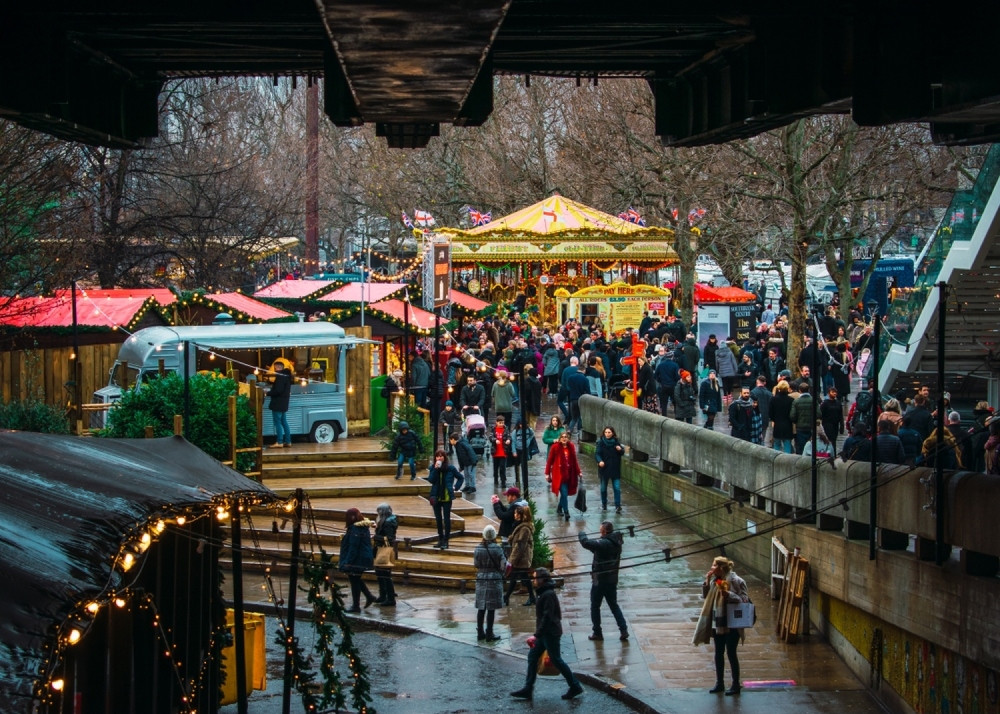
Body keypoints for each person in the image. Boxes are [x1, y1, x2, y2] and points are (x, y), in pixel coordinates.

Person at [510, 567, 584, 701]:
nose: (533, 581)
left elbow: (547, 617)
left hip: (550, 633)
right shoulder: (543, 592)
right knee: (533, 657)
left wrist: (536, 635)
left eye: (535, 578)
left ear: (542, 579)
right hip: (545, 633)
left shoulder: (548, 594)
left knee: (556, 660)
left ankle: (575, 686)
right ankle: (528, 688)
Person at [692, 556, 750, 696]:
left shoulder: (736, 581)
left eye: (713, 566)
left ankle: (736, 684)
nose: (711, 568)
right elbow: (706, 597)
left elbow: (744, 600)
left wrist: (728, 594)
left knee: (731, 652)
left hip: (732, 623)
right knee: (718, 653)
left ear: (721, 568)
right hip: (717, 622)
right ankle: (720, 683)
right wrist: (706, 582)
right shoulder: (714, 581)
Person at [578, 521, 628, 642]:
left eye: (601, 531)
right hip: (612, 579)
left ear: (605, 531)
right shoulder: (616, 541)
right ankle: (623, 629)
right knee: (613, 605)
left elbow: (586, 543)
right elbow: (598, 550)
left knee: (595, 606)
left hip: (600, 580)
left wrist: (581, 533)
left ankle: (597, 632)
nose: (600, 533)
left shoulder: (605, 543)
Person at [338, 507, 376, 613]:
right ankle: (369, 596)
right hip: (363, 558)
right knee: (356, 579)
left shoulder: (355, 529)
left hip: (357, 559)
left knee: (354, 580)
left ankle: (356, 606)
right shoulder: (363, 527)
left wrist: (348, 562)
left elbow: (354, 547)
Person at [474, 525, 507, 642]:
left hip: (481, 578)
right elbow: (504, 565)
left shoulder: (478, 548)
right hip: (494, 578)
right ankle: (489, 633)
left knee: (481, 607)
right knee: (491, 608)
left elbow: (476, 564)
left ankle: (480, 632)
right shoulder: (498, 549)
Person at [428, 449, 463, 549]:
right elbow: (431, 480)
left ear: (444, 457)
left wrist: (456, 487)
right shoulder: (432, 468)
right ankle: (440, 539)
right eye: (437, 456)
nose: (439, 458)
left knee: (446, 519)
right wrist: (435, 469)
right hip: (436, 496)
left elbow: (460, 477)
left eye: (441, 456)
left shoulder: (450, 468)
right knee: (438, 519)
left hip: (447, 497)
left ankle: (446, 540)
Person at [545, 431, 581, 522]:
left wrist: (578, 472)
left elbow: (574, 461)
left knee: (565, 494)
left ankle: (559, 508)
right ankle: (566, 512)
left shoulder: (571, 446)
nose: (564, 438)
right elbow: (549, 461)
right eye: (562, 437)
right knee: (564, 493)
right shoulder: (555, 447)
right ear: (560, 438)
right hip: (559, 474)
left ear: (568, 438)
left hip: (569, 474)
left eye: (566, 437)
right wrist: (547, 473)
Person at [504, 505, 536, 607]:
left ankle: (507, 597)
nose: (514, 515)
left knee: (522, 577)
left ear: (521, 515)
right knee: (518, 577)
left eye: (516, 513)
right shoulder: (520, 526)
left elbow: (520, 546)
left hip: (522, 558)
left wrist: (512, 560)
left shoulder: (524, 529)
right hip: (520, 559)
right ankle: (507, 597)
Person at [595, 426, 625, 513]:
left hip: (615, 468)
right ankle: (604, 504)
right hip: (604, 469)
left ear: (612, 433)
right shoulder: (601, 443)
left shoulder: (616, 443)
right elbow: (597, 454)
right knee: (603, 488)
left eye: (609, 432)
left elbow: (622, 453)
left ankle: (617, 505)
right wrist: (600, 461)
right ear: (604, 433)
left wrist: (620, 450)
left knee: (617, 488)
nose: (607, 434)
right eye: (606, 432)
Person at [372, 502, 398, 606]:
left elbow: (389, 538)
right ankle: (383, 595)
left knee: (385, 575)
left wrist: (375, 537)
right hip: (381, 549)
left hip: (384, 550)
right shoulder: (387, 521)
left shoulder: (387, 523)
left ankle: (390, 598)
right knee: (380, 574)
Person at [266, 362, 292, 448]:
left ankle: (279, 441)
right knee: (284, 422)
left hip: (278, 403)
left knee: (277, 422)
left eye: (274, 368)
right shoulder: (287, 376)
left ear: (277, 367)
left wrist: (267, 393)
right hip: (284, 403)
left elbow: (278, 390)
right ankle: (288, 441)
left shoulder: (280, 376)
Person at [449, 430, 479, 494]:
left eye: (450, 440)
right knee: (466, 474)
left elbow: (469, 451)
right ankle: (467, 486)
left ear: (453, 439)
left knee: (470, 474)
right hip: (466, 462)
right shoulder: (457, 445)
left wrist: (473, 461)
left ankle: (472, 486)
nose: (450, 442)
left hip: (470, 461)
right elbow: (460, 457)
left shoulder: (461, 444)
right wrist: (461, 466)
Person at [770, 381, 795, 453]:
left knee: (776, 446)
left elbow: (770, 414)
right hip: (788, 426)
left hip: (777, 425)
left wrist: (775, 419)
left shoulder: (773, 399)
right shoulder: (791, 400)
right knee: (787, 446)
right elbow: (793, 414)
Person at [491, 415, 512, 488]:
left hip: (503, 452)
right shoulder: (493, 429)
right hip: (495, 452)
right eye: (500, 423)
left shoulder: (506, 429)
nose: (501, 424)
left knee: (503, 468)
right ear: (496, 422)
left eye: (502, 423)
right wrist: (495, 440)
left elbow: (509, 436)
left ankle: (503, 481)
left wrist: (509, 440)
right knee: (495, 467)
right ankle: (496, 479)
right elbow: (490, 437)